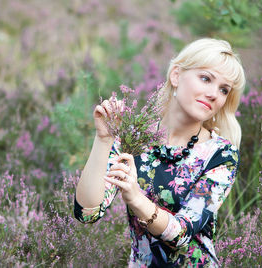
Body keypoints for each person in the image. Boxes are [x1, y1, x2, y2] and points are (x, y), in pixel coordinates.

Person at [74, 38, 246, 267]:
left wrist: (136, 198)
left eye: (224, 89)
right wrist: (103, 140)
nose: (214, 94)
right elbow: (87, 213)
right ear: (176, 75)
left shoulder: (221, 154)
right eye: (206, 78)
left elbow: (182, 235)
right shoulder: (134, 139)